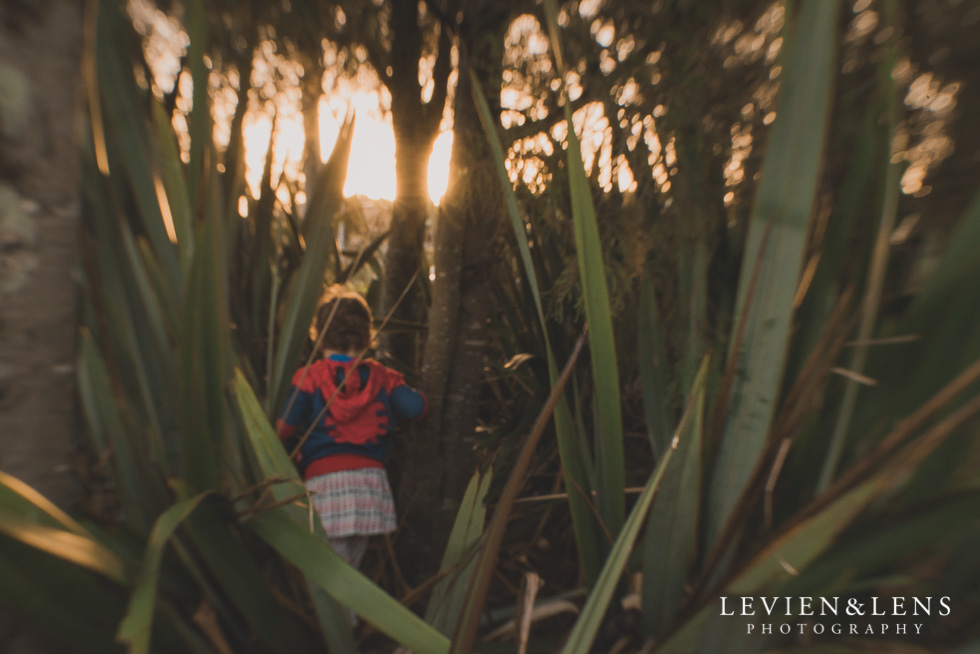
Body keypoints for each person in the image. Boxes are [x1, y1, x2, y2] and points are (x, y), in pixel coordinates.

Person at [276, 287, 426, 569]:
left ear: (319, 337)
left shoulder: (309, 378)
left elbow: (284, 429)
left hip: (324, 486)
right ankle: (349, 616)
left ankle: (340, 616)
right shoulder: (382, 377)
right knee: (349, 574)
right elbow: (416, 409)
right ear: (368, 337)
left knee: (330, 577)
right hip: (369, 487)